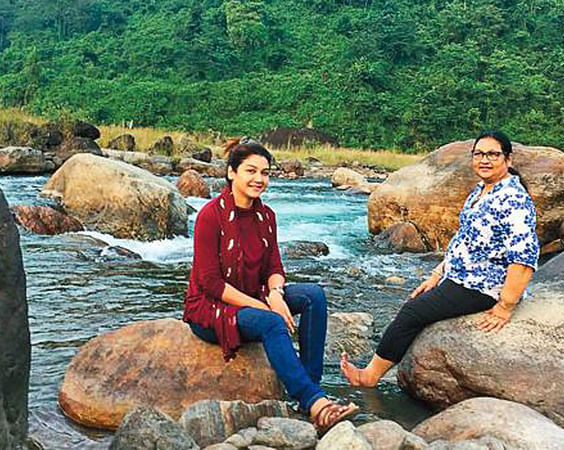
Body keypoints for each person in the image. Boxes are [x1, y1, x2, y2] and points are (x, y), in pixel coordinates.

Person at [183, 137, 359, 430]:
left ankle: (309, 387)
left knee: (314, 295)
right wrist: (265, 306)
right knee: (271, 323)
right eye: (250, 171)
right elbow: (210, 283)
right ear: (231, 173)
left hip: (256, 295)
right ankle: (316, 404)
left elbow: (275, 267)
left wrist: (275, 294)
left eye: (264, 173)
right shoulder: (210, 216)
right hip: (210, 309)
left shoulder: (266, 216)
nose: (259, 179)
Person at [341, 131, 540, 387]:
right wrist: (436, 275)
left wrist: (505, 307)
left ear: (508, 159)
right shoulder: (482, 191)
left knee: (412, 312)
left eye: (493, 154)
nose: (485, 160)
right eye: (479, 154)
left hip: (483, 286)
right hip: (461, 277)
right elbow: (464, 240)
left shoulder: (514, 199)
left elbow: (524, 257)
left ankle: (369, 376)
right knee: (416, 304)